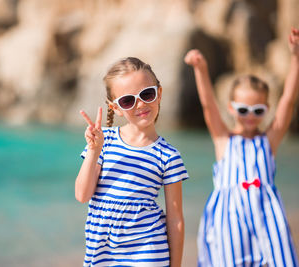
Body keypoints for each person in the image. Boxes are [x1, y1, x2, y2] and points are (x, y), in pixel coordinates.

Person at [184, 27, 299, 267]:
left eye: (258, 111)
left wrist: (296, 57)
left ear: (267, 109)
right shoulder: (223, 140)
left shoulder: (268, 141)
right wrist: (201, 69)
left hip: (266, 217)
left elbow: (288, 102)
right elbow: (208, 105)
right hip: (229, 221)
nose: (250, 116)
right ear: (231, 108)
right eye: (243, 110)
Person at [75, 57, 189, 266]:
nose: (141, 104)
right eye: (128, 100)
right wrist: (94, 150)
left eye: (147, 94)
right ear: (115, 108)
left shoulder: (168, 155)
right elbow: (82, 195)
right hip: (102, 253)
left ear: (159, 94)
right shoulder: (104, 142)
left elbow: (175, 219)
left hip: (148, 251)